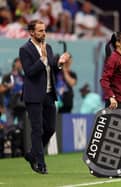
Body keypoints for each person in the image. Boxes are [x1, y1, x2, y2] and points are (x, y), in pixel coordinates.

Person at [19, 19, 70, 174]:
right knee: (37, 129)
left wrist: (59, 63)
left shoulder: (48, 47)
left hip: (49, 94)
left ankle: (32, 154)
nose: (44, 33)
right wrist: (42, 59)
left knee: (50, 128)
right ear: (32, 32)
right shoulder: (25, 49)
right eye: (40, 30)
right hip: (33, 96)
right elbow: (29, 72)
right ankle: (40, 163)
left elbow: (52, 67)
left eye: (44, 30)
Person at [100, 32, 121, 111]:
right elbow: (104, 80)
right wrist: (111, 97)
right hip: (115, 104)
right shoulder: (114, 58)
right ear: (118, 43)